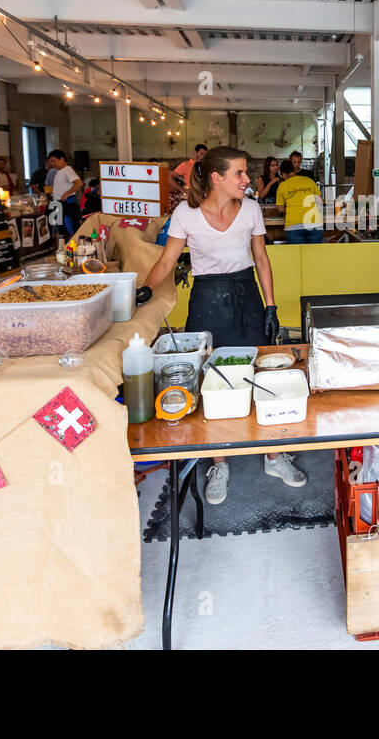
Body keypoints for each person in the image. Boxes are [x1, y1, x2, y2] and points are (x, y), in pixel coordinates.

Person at [140, 146, 302, 503]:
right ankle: (220, 462)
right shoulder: (186, 213)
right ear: (217, 178)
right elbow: (168, 260)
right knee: (212, 379)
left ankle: (274, 456)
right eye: (240, 174)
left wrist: (271, 306)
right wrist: (145, 291)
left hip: (247, 294)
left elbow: (261, 257)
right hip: (207, 298)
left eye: (246, 174)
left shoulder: (251, 210)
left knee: (260, 375)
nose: (247, 180)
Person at [276, 161, 324, 244]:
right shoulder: (309, 181)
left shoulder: (282, 186)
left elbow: (280, 208)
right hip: (315, 224)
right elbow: (320, 201)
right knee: (314, 256)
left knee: (297, 256)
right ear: (293, 170)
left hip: (293, 225)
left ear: (282, 173)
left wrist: (291, 209)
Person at [46, 150, 82, 235]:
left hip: (66, 203)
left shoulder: (67, 169)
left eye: (54, 161)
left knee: (69, 229)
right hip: (57, 204)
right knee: (60, 230)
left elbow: (79, 183)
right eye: (50, 162)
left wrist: (67, 193)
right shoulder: (59, 172)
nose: (52, 164)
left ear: (62, 160)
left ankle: (71, 247)